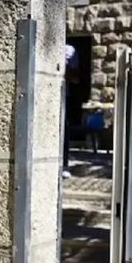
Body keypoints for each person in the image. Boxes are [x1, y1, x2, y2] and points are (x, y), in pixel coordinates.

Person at [63, 43, 80, 178]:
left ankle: (64, 165)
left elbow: (75, 78)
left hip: (62, 95)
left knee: (63, 129)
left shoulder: (69, 50)